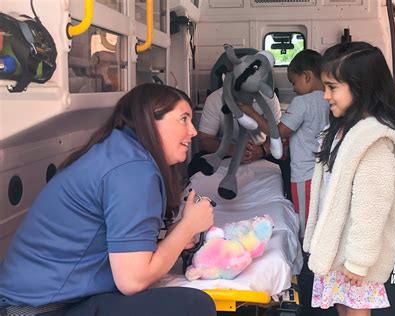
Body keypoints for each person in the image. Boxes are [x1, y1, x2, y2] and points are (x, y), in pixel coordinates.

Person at [0, 84, 216, 316]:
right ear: (150, 121)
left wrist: (174, 237)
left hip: (33, 301)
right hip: (38, 310)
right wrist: (187, 227)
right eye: (183, 119)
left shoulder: (119, 151)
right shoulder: (133, 170)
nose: (193, 131)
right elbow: (133, 280)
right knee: (195, 305)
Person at [302, 42, 395, 315]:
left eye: (332, 87)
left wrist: (358, 260)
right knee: (343, 308)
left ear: (361, 87)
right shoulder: (343, 130)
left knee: (355, 310)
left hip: (355, 252)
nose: (325, 96)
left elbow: (371, 210)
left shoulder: (372, 143)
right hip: (339, 247)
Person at [240, 49, 329, 238]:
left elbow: (278, 131)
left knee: (306, 222)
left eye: (293, 82)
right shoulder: (330, 100)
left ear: (306, 76)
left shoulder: (302, 102)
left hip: (304, 174)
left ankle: (308, 257)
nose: (294, 88)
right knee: (322, 216)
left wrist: (251, 112)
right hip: (324, 172)